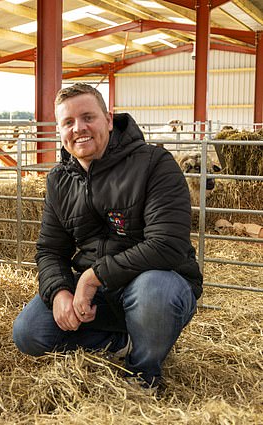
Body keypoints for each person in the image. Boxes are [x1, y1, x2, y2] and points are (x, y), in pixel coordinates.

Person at [12, 83, 203, 391]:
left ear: (109, 119)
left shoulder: (154, 164)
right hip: (100, 294)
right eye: (68, 122)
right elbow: (50, 250)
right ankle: (124, 340)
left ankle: (144, 373)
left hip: (154, 280)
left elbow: (167, 244)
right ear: (59, 130)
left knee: (154, 291)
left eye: (88, 117)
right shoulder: (59, 180)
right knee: (28, 332)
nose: (79, 128)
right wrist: (60, 291)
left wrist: (91, 277)